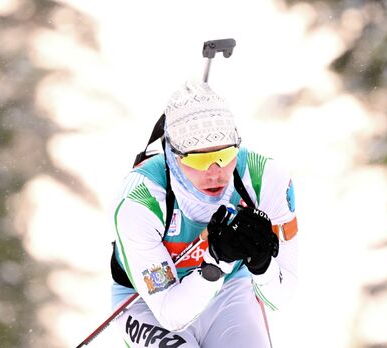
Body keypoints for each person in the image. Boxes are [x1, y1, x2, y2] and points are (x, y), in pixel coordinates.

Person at [109, 82, 298, 347]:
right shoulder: (140, 199)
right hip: (146, 303)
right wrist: (215, 262)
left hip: (227, 292)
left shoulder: (264, 179)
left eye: (224, 155)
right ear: (173, 155)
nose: (214, 171)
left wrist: (261, 264)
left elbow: (281, 298)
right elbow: (171, 314)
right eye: (197, 159)